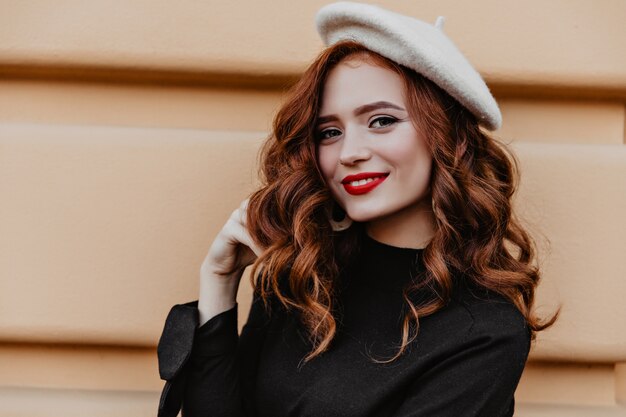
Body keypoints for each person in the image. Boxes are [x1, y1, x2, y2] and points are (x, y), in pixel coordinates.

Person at [156, 2, 556, 416]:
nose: (349, 153)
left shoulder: (483, 330)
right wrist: (218, 280)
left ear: (448, 137)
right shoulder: (301, 275)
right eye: (329, 132)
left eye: (381, 121)